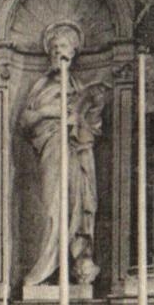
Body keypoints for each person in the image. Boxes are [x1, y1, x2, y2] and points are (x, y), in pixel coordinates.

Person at [21, 23, 108, 288]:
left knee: (79, 205)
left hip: (78, 153)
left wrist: (93, 108)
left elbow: (93, 127)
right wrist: (50, 112)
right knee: (52, 207)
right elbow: (26, 120)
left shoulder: (79, 87)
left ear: (73, 53)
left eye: (65, 47)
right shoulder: (41, 86)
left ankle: (78, 265)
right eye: (56, 48)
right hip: (52, 149)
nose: (60, 52)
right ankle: (45, 269)